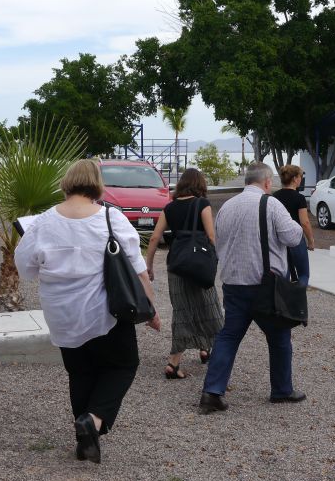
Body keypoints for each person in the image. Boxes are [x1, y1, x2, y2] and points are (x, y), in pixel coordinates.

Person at [15, 159, 160, 464]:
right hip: (104, 312)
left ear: (67, 183)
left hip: (62, 315)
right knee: (123, 365)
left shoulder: (43, 222)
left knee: (80, 372)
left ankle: (85, 442)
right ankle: (92, 420)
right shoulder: (111, 218)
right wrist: (150, 309)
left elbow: (25, 268)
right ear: (97, 184)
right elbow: (138, 269)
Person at [199, 162, 306, 413]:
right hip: (265, 285)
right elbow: (293, 237)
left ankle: (212, 391)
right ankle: (281, 389)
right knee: (279, 337)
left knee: (228, 336)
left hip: (234, 283)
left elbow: (218, 240)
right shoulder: (271, 204)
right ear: (267, 182)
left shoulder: (226, 207)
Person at [144, 168, 223, 379]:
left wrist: (149, 265)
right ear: (200, 184)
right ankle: (188, 357)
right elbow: (211, 236)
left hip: (177, 265)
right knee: (208, 306)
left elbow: (155, 238)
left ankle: (195, 353)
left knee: (182, 310)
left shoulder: (169, 207)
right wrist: (215, 261)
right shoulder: (202, 204)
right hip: (199, 265)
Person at [273, 164, 315, 286]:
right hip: (296, 239)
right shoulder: (299, 198)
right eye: (300, 177)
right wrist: (310, 241)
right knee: (303, 274)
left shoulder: (274, 197)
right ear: (295, 179)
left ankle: (282, 295)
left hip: (279, 239)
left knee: (283, 273)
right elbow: (305, 223)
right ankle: (299, 295)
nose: (301, 179)